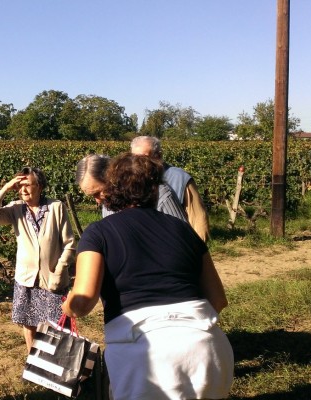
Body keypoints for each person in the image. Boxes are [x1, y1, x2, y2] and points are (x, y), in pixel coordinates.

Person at [62, 153, 233, 399]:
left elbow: (84, 300)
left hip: (143, 357)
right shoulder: (184, 230)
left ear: (113, 188)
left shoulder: (97, 233)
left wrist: (69, 306)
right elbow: (218, 300)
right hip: (207, 351)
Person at [0, 166, 75, 353]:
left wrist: (60, 270)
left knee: (56, 324)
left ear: (40, 186)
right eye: (20, 186)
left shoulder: (56, 207)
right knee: (29, 322)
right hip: (26, 278)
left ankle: (55, 364)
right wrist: (5, 189)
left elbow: (70, 244)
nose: (23, 190)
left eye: (28, 185)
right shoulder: (15, 209)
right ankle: (33, 360)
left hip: (51, 278)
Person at [130, 135, 210, 241]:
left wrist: (198, 251)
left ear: (158, 155)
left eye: (144, 157)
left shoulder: (179, 177)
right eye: (135, 157)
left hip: (175, 242)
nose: (139, 162)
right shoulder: (129, 179)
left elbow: (198, 218)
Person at [75, 153, 187, 221]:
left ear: (112, 177)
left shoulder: (159, 193)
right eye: (92, 196)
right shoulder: (108, 205)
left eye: (98, 192)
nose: (98, 200)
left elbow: (184, 238)